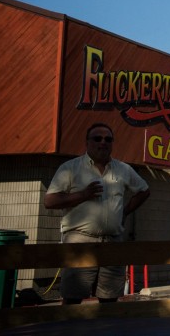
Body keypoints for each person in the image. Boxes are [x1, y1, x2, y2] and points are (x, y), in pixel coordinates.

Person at [43, 123, 150, 304]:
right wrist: (83, 195)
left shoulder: (123, 169)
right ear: (87, 142)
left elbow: (144, 191)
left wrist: (124, 212)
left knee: (110, 299)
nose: (103, 143)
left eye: (108, 139)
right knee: (73, 299)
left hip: (112, 241)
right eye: (97, 138)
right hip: (80, 240)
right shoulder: (70, 168)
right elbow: (50, 201)